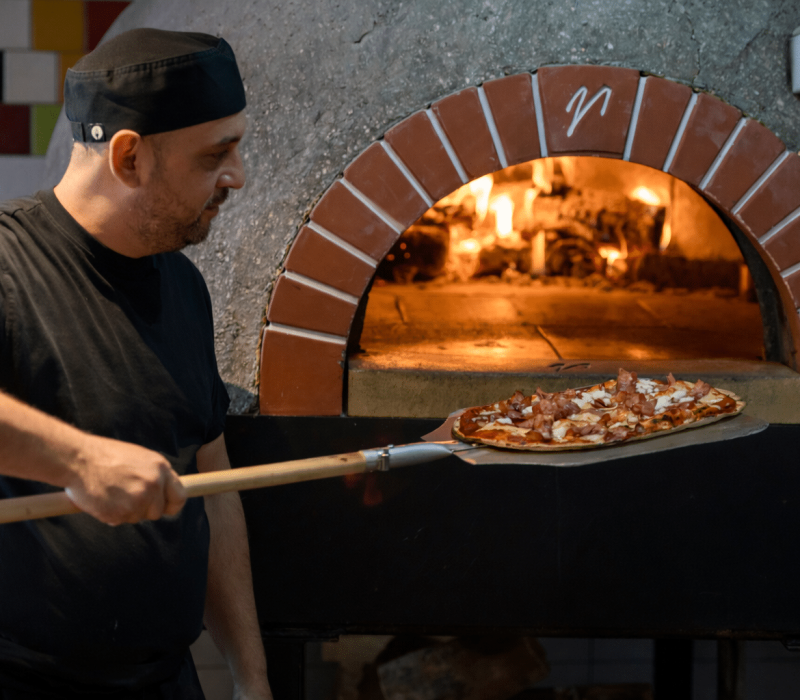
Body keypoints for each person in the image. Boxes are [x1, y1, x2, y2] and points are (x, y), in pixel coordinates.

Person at [0, 28, 272, 699]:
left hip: (165, 683)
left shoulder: (182, 285)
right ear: (129, 158)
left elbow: (213, 487)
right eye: (217, 154)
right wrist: (82, 462)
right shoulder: (7, 267)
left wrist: (250, 676)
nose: (237, 175)